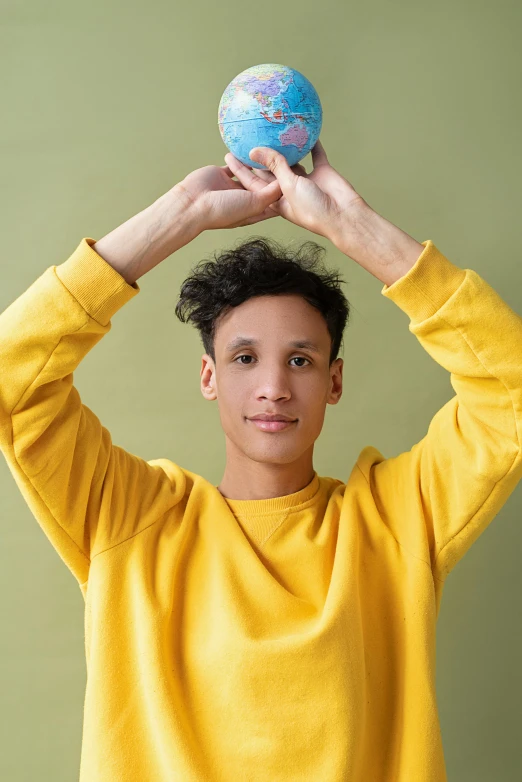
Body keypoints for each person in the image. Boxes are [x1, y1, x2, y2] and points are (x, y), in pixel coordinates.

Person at [1, 140, 521, 781]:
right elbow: (11, 381)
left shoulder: (396, 520)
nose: (274, 386)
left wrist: (351, 227)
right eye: (245, 358)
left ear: (334, 382)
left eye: (300, 360)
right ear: (208, 376)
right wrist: (181, 213)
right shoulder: (129, 520)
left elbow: (511, 392)